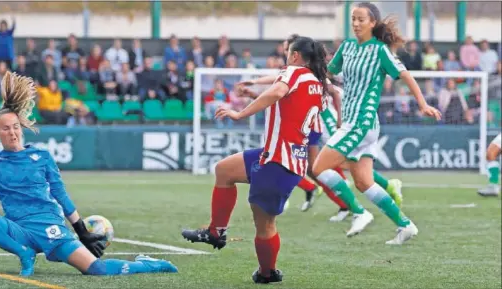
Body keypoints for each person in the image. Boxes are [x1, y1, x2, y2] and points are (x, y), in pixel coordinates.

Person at [0, 71, 178, 277]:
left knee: (98, 270)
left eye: (15, 127)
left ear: (21, 127)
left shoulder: (42, 156)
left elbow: (60, 194)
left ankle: (148, 263)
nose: (12, 132)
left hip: (50, 227)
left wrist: (81, 230)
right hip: (18, 230)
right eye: (5, 129)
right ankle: (23, 252)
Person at [182, 36, 329, 284]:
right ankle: (216, 232)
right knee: (224, 170)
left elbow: (278, 91)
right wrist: (254, 92)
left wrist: (239, 113)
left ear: (294, 56)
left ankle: (266, 273)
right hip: (281, 156)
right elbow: (287, 105)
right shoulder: (316, 83)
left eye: (286, 53)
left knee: (265, 225)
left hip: (278, 162)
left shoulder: (293, 72)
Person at [311, 2, 441, 245]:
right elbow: (330, 71)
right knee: (363, 182)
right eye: (354, 19)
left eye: (361, 19)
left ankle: (359, 212)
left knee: (317, 168)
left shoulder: (380, 50)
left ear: (373, 23)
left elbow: (405, 75)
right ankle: (405, 225)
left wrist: (422, 104)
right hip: (352, 122)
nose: (356, 23)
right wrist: (312, 66)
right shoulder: (348, 46)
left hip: (362, 123)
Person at [237, 35, 403, 221]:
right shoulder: (297, 73)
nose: (285, 53)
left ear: (296, 54)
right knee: (330, 165)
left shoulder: (307, 72)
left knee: (322, 166)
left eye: (287, 49)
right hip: (316, 124)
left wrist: (340, 119)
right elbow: (280, 98)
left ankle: (354, 207)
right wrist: (254, 88)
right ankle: (360, 199)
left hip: (323, 124)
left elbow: (325, 92)